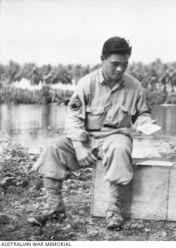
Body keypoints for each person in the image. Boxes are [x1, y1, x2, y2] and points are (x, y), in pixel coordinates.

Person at [27, 37, 156, 230]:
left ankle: (113, 210)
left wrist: (145, 123)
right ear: (102, 59)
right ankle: (55, 208)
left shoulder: (134, 86)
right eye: (115, 64)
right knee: (53, 148)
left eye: (124, 64)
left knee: (121, 145)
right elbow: (73, 117)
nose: (120, 69)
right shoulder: (86, 84)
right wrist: (78, 146)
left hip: (114, 138)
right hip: (86, 139)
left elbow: (142, 113)